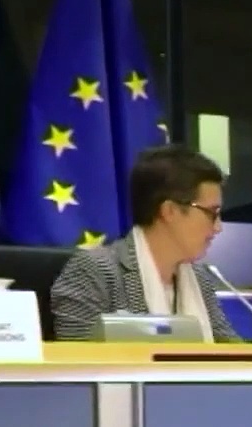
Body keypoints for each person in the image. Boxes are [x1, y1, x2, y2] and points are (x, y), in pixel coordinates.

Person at [50, 144, 241, 342]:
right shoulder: (93, 272)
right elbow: (78, 355)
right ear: (169, 211)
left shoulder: (200, 279)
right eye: (211, 213)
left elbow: (233, 353)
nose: (218, 227)